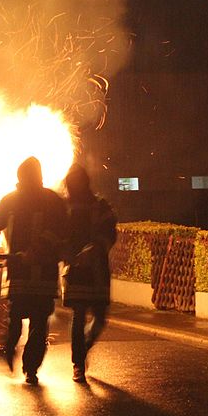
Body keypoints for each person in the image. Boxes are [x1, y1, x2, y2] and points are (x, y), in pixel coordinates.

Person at [0, 156, 68, 385]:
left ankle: (30, 367)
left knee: (38, 323)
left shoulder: (51, 201)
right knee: (19, 319)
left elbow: (61, 231)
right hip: (21, 273)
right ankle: (11, 348)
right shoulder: (13, 200)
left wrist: (38, 249)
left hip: (41, 271)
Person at [62, 163, 117, 384]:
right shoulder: (64, 208)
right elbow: (59, 234)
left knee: (100, 318)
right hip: (75, 269)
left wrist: (94, 249)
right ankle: (78, 364)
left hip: (98, 270)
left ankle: (83, 347)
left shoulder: (100, 206)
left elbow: (109, 233)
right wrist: (67, 253)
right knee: (78, 314)